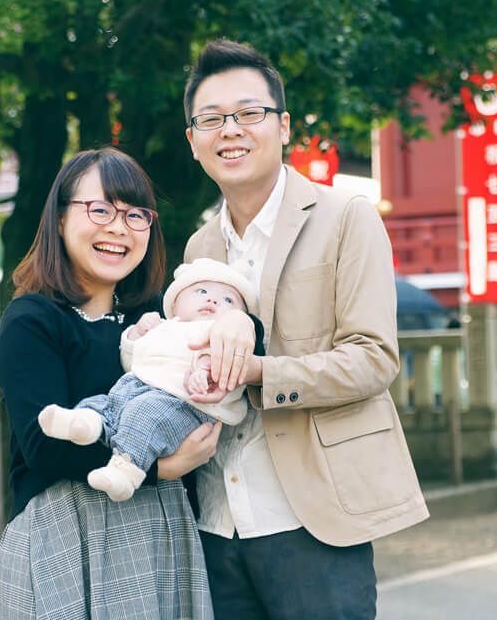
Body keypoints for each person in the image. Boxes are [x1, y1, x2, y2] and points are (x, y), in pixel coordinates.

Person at [181, 39, 429, 619]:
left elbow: (373, 359)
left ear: (283, 125)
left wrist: (258, 373)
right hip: (217, 520)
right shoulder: (199, 245)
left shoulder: (346, 217)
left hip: (312, 518)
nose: (230, 130)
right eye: (211, 119)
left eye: (248, 113)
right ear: (193, 141)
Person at [0, 148, 227, 620]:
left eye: (136, 215)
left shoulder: (155, 315)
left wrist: (242, 328)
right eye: (100, 209)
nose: (119, 228)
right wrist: (164, 468)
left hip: (162, 525)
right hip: (66, 526)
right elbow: (43, 444)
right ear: (59, 220)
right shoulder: (32, 320)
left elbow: (235, 328)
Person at [38, 258, 261, 502]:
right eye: (202, 291)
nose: (213, 300)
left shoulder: (218, 334)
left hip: (185, 405)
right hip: (139, 386)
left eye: (229, 300)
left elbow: (217, 363)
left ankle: (126, 473)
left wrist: (204, 374)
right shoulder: (167, 326)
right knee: (108, 401)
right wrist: (138, 333)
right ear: (175, 303)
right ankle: (87, 423)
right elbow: (131, 360)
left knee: (144, 415)